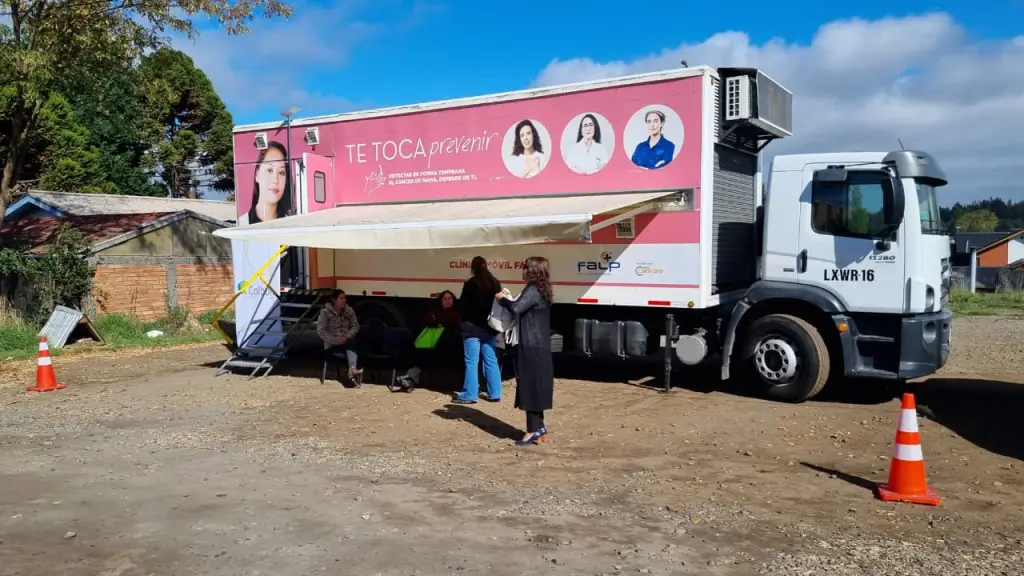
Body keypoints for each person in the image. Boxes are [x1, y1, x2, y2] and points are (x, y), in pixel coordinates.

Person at [496, 256, 554, 446]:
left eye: (525, 267)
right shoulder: (543, 289)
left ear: (532, 271)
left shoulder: (532, 289)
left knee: (529, 386)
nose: (522, 270)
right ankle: (540, 427)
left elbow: (516, 308)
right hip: (540, 345)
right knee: (537, 386)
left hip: (530, 345)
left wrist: (503, 300)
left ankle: (531, 431)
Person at [453, 256, 503, 404]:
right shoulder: (495, 283)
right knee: (491, 360)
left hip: (471, 328)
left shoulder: (471, 283)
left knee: (471, 361)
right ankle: (495, 392)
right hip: (489, 328)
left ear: (473, 268)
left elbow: (462, 305)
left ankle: (470, 394)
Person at [396, 290, 461, 390]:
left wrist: (437, 322)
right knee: (418, 352)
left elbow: (447, 322)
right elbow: (427, 320)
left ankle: (410, 378)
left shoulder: (455, 313)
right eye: (445, 299)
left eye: (449, 299)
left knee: (428, 356)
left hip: (448, 345)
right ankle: (410, 378)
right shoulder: (436, 311)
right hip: (432, 343)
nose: (447, 301)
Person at [316, 289, 362, 383]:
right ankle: (352, 371)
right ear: (334, 300)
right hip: (332, 346)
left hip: (346, 342)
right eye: (341, 298)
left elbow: (355, 326)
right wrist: (335, 340)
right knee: (352, 347)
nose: (344, 300)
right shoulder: (325, 312)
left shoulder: (349, 311)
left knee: (353, 344)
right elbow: (321, 331)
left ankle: (351, 371)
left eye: (345, 298)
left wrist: (347, 336)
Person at [243, 140, 294, 225]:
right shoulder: (243, 223)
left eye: (281, 172)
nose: (275, 180)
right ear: (257, 175)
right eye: (269, 170)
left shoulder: (290, 224)